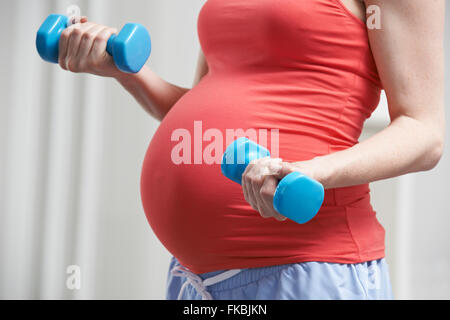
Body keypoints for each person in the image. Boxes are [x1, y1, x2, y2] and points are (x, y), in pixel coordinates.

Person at [57, 0, 445, 299]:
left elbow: (424, 133)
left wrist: (311, 172)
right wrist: (127, 72)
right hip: (197, 280)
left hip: (305, 267)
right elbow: (206, 105)